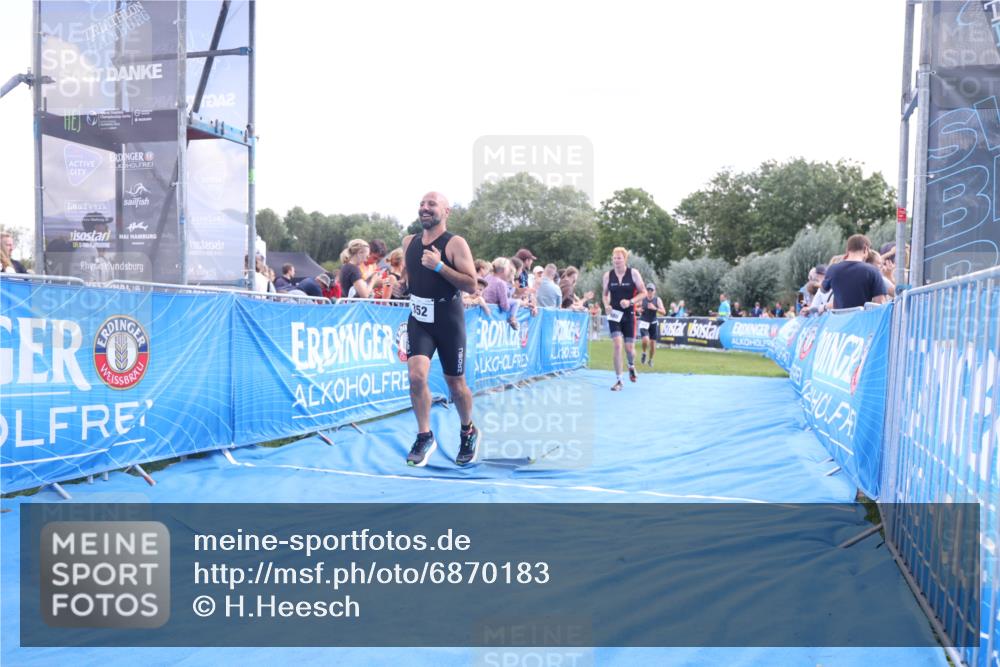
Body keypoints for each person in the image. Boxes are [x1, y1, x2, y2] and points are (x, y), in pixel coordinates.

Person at [402, 192, 479, 468]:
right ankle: (424, 436)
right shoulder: (408, 242)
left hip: (448, 320)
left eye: (431, 204)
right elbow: (408, 276)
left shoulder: (455, 243)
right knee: (416, 376)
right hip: (420, 319)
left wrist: (439, 267)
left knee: (456, 385)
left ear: (446, 211)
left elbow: (472, 285)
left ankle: (467, 430)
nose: (424, 208)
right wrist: (402, 286)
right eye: (422, 203)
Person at [602, 247, 647, 391]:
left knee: (629, 349)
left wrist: (631, 302)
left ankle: (631, 365)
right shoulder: (608, 276)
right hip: (614, 315)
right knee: (617, 345)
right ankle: (619, 380)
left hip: (629, 315)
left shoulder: (633, 273)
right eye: (614, 258)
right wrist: (606, 305)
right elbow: (604, 294)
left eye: (619, 258)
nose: (616, 261)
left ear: (625, 259)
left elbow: (644, 292)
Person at [822, 234, 889, 309]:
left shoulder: (833, 269)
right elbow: (880, 302)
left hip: (839, 319)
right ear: (865, 249)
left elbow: (823, 290)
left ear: (847, 250)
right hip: (862, 319)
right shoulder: (872, 271)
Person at [483, 257, 520, 329]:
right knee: (516, 302)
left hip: (485, 308)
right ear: (504, 270)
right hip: (493, 311)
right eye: (508, 268)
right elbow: (504, 307)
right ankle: (512, 319)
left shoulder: (487, 277)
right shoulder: (501, 283)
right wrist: (509, 307)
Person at [639, 284, 666, 367]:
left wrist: (655, 308)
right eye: (648, 290)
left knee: (653, 345)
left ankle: (650, 360)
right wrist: (638, 310)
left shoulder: (657, 300)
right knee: (645, 340)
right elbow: (635, 308)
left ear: (654, 291)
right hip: (644, 321)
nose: (650, 292)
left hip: (653, 323)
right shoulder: (642, 299)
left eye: (652, 290)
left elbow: (664, 312)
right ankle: (644, 353)